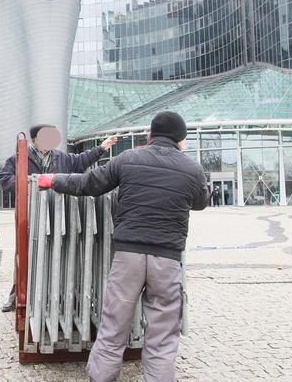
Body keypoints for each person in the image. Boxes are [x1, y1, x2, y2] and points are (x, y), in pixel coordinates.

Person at [36, 111, 209, 381]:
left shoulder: (128, 158)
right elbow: (200, 202)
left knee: (113, 327)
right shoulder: (192, 169)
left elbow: (89, 184)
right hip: (167, 260)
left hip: (128, 256)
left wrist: (53, 180)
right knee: (163, 335)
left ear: (150, 135)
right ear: (182, 140)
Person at [0, 124, 117, 312]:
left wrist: (101, 148)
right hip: (30, 213)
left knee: (59, 253)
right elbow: (4, 178)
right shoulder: (19, 158)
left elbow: (81, 161)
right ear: (35, 139)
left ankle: (59, 295)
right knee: (25, 253)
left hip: (58, 212)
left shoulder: (62, 157)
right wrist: (26, 186)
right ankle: (16, 295)